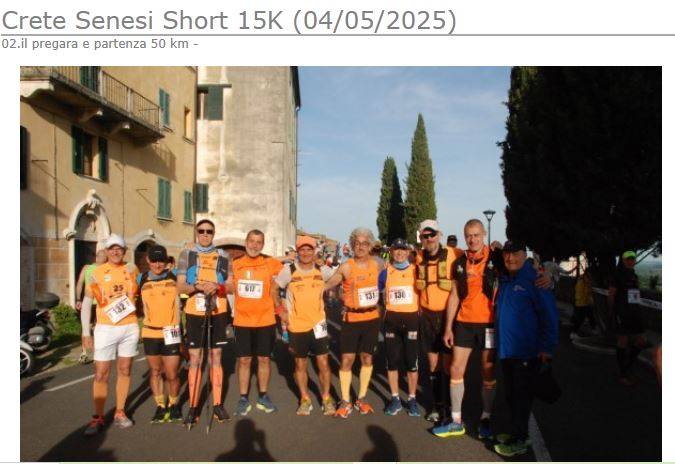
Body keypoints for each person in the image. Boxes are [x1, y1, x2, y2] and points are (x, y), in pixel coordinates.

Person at [434, 219, 503, 439]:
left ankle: (486, 417)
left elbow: (518, 268)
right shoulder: (460, 262)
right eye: (468, 236)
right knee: (455, 369)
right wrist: (448, 328)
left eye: (476, 235)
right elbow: (454, 295)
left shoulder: (496, 258)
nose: (472, 239)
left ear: (484, 235)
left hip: (488, 324)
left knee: (488, 371)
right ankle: (456, 421)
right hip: (464, 323)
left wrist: (546, 277)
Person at [493, 240, 558, 457]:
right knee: (512, 395)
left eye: (515, 254)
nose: (510, 258)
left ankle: (519, 440)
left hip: (526, 353)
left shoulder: (536, 280)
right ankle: (518, 433)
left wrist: (547, 349)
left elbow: (549, 317)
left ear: (524, 254)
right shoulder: (507, 277)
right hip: (508, 351)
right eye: (507, 254)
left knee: (521, 398)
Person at [80, 234, 140, 436]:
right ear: (106, 251)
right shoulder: (97, 272)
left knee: (125, 370)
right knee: (101, 373)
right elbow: (87, 302)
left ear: (124, 251)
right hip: (105, 328)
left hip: (129, 326)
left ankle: (120, 412)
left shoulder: (132, 269)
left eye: (119, 248)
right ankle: (98, 417)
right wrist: (85, 332)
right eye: (112, 248)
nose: (115, 251)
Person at [272, 235, 337, 415]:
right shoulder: (289, 270)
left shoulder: (322, 269)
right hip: (297, 325)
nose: (306, 253)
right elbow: (273, 289)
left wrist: (339, 296)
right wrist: (280, 310)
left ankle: (326, 398)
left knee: (323, 363)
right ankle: (305, 399)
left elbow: (340, 278)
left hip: (318, 324)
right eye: (302, 250)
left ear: (314, 251)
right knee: (300, 364)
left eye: (309, 249)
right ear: (298, 252)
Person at [177, 219, 232, 426]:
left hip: (218, 310)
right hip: (195, 311)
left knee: (216, 357)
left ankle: (217, 404)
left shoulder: (224, 256)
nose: (205, 234)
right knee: (195, 358)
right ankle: (193, 406)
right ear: (197, 233)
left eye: (209, 231)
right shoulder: (187, 254)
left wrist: (217, 287)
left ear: (214, 234)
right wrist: (198, 286)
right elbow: (180, 287)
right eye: (202, 231)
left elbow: (231, 286)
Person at [324, 227, 385, 418]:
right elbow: (328, 284)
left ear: (370, 246)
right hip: (351, 319)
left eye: (365, 243)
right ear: (352, 245)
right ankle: (345, 400)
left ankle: (362, 398)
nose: (360, 247)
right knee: (347, 360)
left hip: (371, 319)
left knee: (367, 358)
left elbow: (391, 284)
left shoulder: (378, 265)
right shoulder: (346, 267)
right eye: (357, 243)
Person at [232, 230, 284, 415]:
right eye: (251, 241)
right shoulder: (235, 264)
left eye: (258, 242)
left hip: (265, 320)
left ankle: (263, 396)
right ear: (245, 242)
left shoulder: (270, 263)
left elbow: (290, 272)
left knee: (264, 359)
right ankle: (243, 398)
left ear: (263, 245)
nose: (254, 245)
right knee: (244, 360)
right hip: (242, 320)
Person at [415, 219, 461, 423]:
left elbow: (481, 258)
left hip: (448, 316)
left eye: (432, 234)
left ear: (439, 235)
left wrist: (544, 274)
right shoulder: (418, 257)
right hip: (427, 316)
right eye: (425, 236)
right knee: (433, 363)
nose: (429, 239)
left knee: (448, 364)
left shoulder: (455, 254)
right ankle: (437, 405)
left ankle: (451, 406)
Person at [137, 245, 182, 424]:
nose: (157, 264)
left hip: (171, 331)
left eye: (161, 261)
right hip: (150, 332)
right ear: (148, 260)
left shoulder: (175, 277)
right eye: (154, 261)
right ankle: (160, 406)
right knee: (155, 371)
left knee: (172, 373)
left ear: (166, 261)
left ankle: (174, 404)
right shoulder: (140, 278)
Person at [379, 238, 421, 417]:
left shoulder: (416, 270)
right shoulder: (385, 272)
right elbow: (377, 294)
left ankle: (412, 399)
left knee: (412, 362)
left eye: (403, 249)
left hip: (411, 321)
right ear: (391, 252)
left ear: (408, 252)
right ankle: (395, 398)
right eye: (396, 249)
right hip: (391, 322)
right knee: (392, 361)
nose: (399, 252)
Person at [608, 250, 648, 386]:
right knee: (623, 341)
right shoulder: (617, 275)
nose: (631, 261)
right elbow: (611, 294)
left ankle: (627, 367)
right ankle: (623, 374)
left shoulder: (634, 275)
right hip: (622, 313)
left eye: (632, 258)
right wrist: (613, 312)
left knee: (641, 341)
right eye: (628, 259)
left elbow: (635, 295)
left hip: (634, 313)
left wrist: (638, 310)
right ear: (623, 260)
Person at [75, 249, 107, 363]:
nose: (104, 258)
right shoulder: (90, 268)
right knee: (89, 328)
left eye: (104, 256)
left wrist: (78, 299)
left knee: (92, 328)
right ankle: (86, 352)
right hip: (91, 302)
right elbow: (80, 283)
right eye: (103, 256)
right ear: (98, 257)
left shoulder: (88, 268)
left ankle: (90, 352)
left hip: (99, 303)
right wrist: (78, 299)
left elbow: (79, 283)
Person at [570, 270, 597, 339]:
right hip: (582, 302)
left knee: (590, 316)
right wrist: (590, 290)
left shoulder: (582, 279)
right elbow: (586, 291)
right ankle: (574, 333)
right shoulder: (584, 281)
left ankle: (593, 329)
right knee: (580, 318)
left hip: (582, 302)